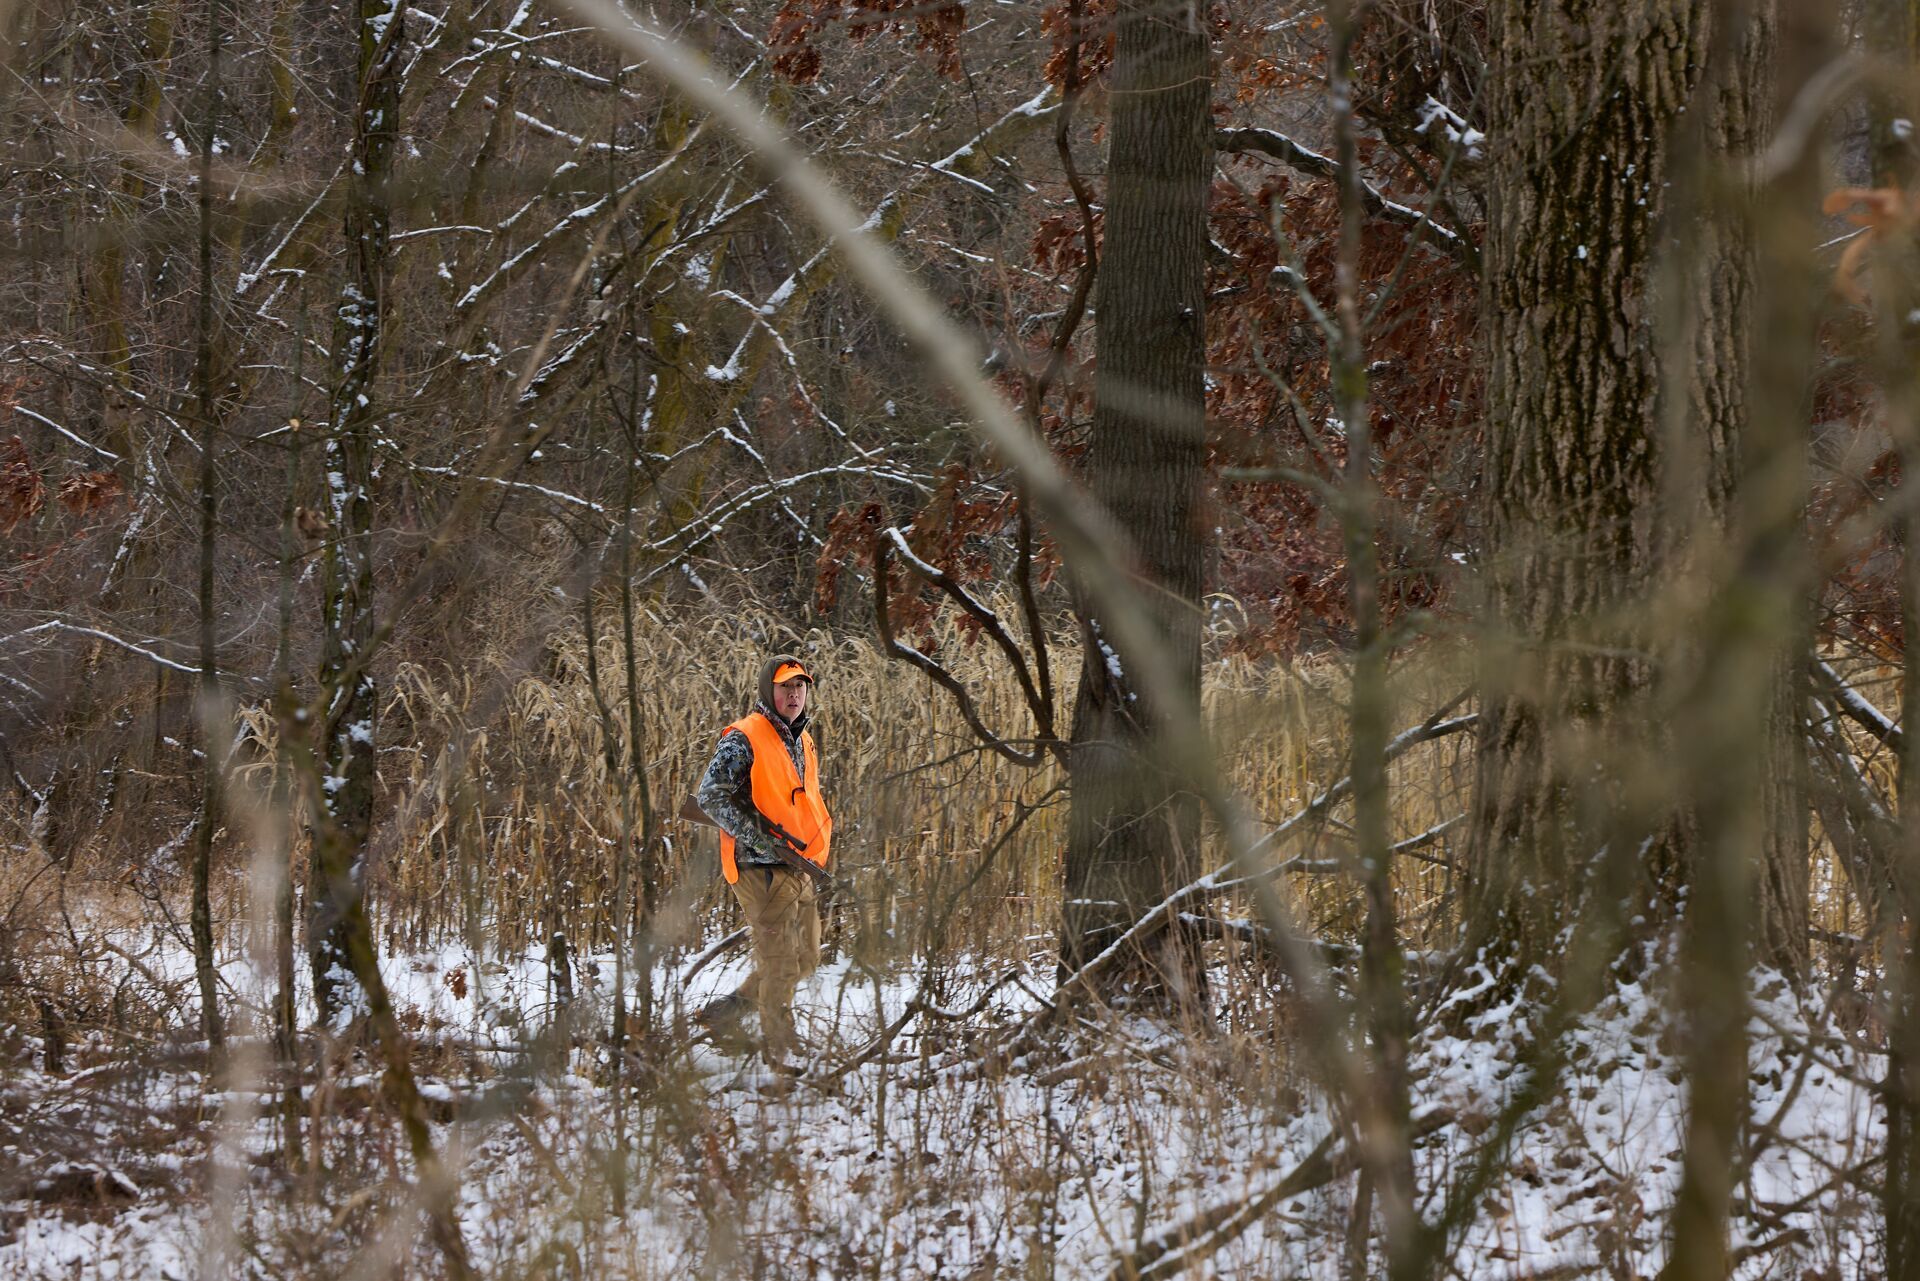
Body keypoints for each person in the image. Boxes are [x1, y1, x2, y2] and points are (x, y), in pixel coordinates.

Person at [692, 654, 832, 1067]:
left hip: (797, 863)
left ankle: (728, 1012)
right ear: (767, 690)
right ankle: (779, 1045)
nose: (794, 694)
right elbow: (709, 796)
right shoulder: (743, 737)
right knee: (781, 961)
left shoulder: (802, 739)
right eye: (785, 686)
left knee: (807, 956)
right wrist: (758, 838)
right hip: (758, 868)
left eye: (800, 686)